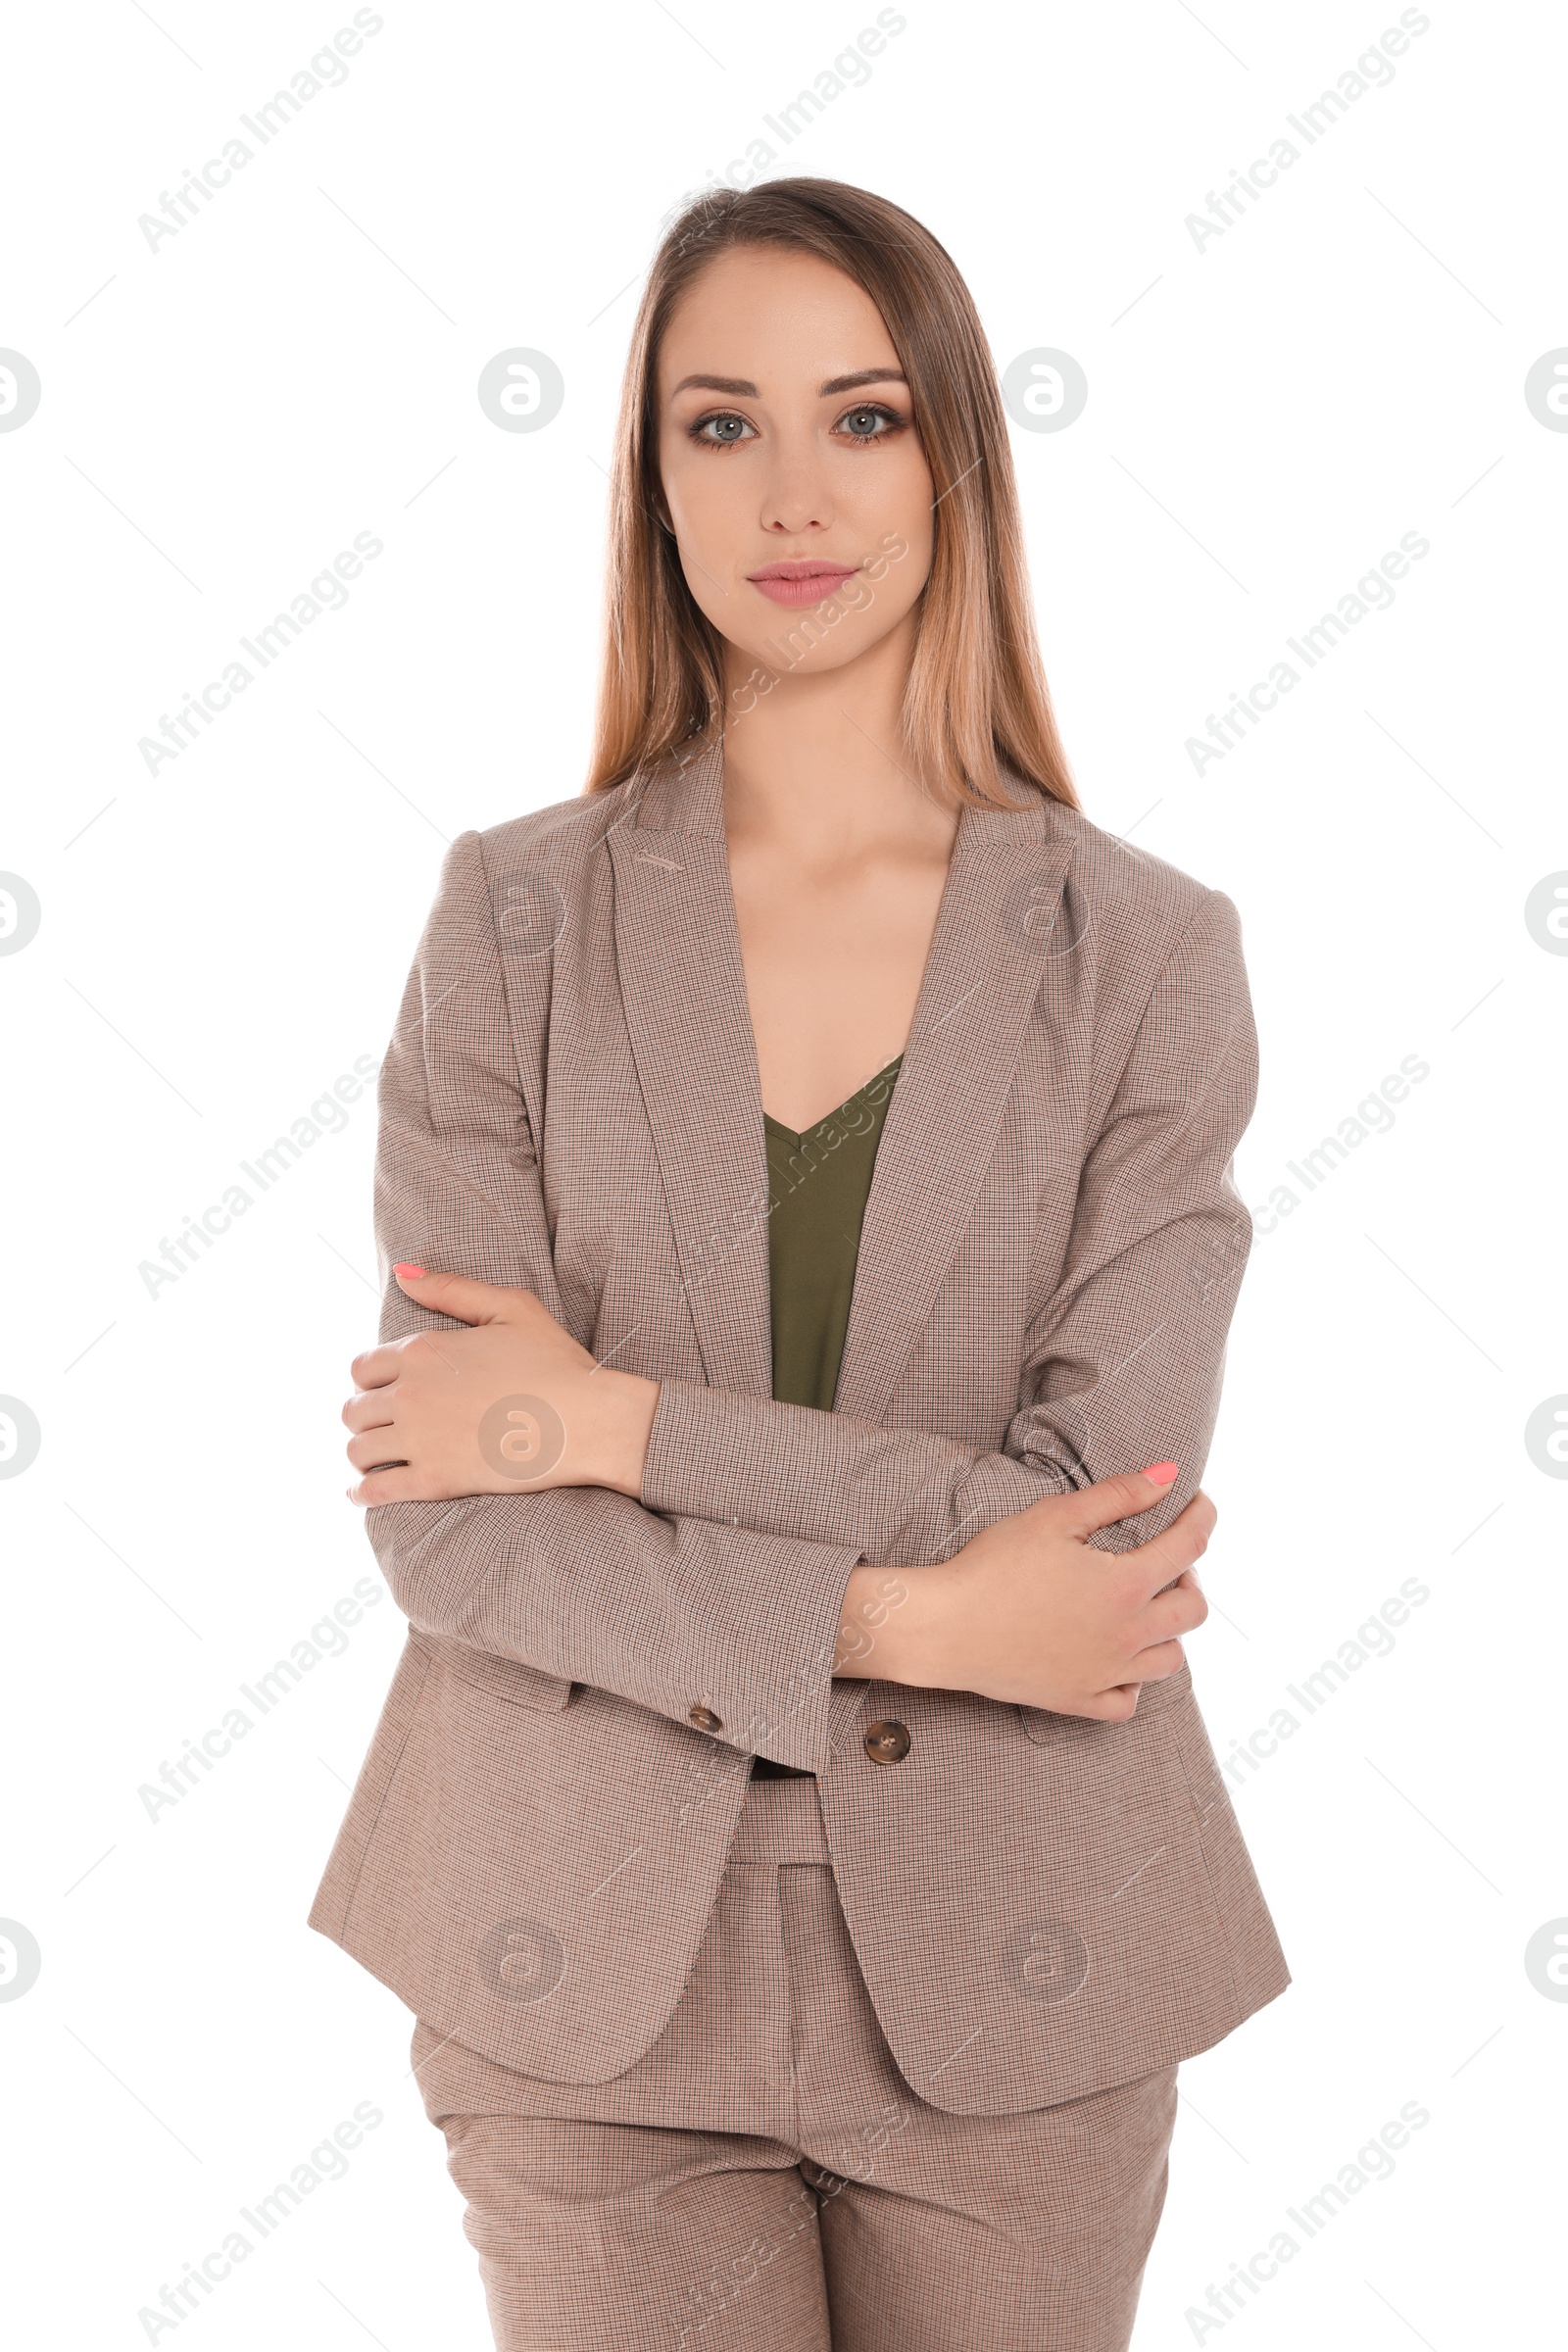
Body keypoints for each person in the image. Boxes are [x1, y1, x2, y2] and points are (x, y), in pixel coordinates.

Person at [314, 175, 1289, 2351]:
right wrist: (911, 1615)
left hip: (1017, 1957)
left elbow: (1086, 1526)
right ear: (648, 480)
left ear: (952, 452)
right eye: (714, 423)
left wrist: (608, 1420)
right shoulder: (513, 921)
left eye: (856, 417)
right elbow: (461, 1526)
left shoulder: (1144, 959)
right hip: (577, 1957)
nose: (788, 493)